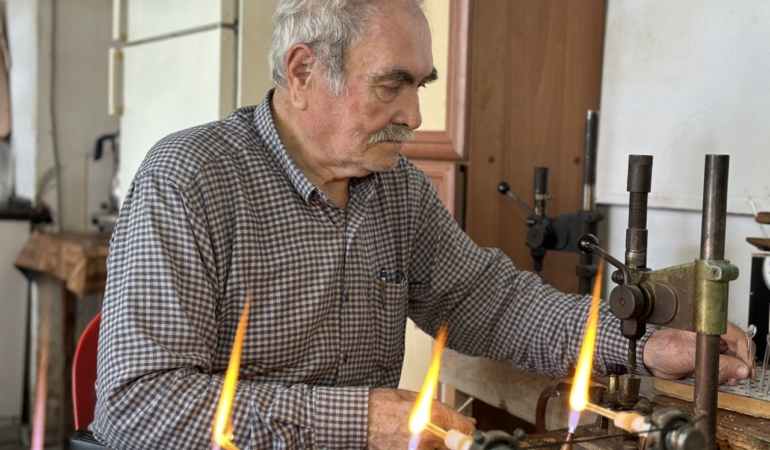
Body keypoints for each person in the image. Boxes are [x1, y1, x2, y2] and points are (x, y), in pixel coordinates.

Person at [92, 0, 754, 448]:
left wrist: (641, 343)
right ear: (302, 72)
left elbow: (490, 302)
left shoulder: (395, 189)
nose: (412, 112)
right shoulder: (188, 180)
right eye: (392, 84)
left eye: (422, 85)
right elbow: (138, 409)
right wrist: (360, 420)